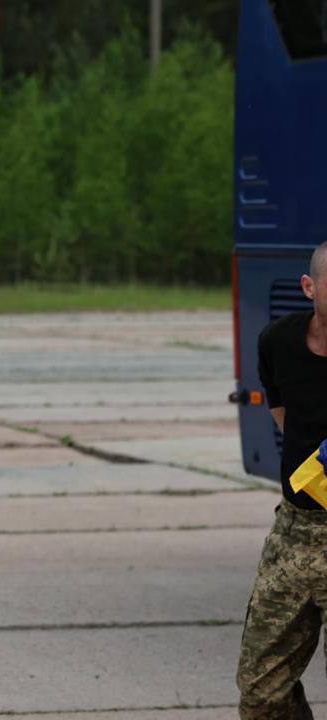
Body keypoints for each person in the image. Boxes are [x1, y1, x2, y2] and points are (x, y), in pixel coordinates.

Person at [237, 240, 327, 717]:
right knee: (261, 688)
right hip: (296, 531)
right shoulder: (279, 340)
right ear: (310, 287)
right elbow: (281, 409)